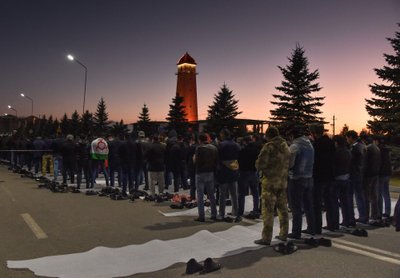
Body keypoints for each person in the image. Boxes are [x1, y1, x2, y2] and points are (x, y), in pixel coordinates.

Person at [254, 127, 290, 245]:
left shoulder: (268, 146)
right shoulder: (286, 146)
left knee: (268, 211)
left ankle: (266, 238)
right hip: (282, 182)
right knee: (283, 210)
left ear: (268, 135)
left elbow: (260, 164)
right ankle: (284, 234)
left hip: (269, 183)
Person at [287, 126, 315, 239]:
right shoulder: (309, 144)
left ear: (292, 136)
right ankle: (311, 228)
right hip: (309, 177)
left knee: (296, 207)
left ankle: (296, 231)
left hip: (297, 178)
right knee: (308, 205)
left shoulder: (295, 146)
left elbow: (290, 164)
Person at [309, 123, 335, 233]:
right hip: (330, 176)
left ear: (314, 133)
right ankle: (332, 225)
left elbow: (314, 161)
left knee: (316, 204)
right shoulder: (330, 142)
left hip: (319, 177)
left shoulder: (317, 144)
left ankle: (316, 227)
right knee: (330, 202)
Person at [216, 129, 241, 222]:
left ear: (223, 134)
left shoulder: (221, 145)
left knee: (222, 194)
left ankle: (221, 213)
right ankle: (235, 212)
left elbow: (218, 158)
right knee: (234, 194)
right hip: (234, 172)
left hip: (223, 172)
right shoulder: (236, 145)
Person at [194, 133, 219, 222]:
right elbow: (216, 161)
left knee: (200, 195)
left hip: (200, 173)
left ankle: (201, 216)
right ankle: (214, 214)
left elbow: (196, 161)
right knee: (211, 194)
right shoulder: (214, 148)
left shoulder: (199, 148)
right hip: (211, 173)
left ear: (199, 140)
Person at [346, 130, 367, 224]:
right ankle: (363, 215)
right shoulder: (362, 146)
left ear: (350, 137)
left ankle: (351, 218)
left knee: (351, 197)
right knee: (359, 196)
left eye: (347, 138)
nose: (347, 140)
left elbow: (351, 161)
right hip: (359, 174)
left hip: (353, 174)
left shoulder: (355, 148)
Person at [332, 135, 353, 228]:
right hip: (346, 177)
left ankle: (335, 222)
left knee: (335, 202)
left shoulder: (336, 153)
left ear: (336, 142)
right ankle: (347, 220)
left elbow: (334, 165)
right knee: (346, 201)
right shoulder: (348, 152)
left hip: (337, 178)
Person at [238, 136, 260, 218]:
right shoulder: (257, 150)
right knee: (255, 193)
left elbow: (239, 161)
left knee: (241, 193)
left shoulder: (242, 151)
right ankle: (256, 210)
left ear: (245, 142)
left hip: (244, 173)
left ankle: (240, 211)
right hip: (254, 172)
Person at [363, 134, 381, 224]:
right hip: (376, 173)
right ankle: (374, 214)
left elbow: (365, 162)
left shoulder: (368, 148)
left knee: (366, 196)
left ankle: (365, 215)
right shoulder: (377, 148)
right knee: (374, 195)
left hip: (369, 174)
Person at [377, 137, 392, 218]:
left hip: (381, 174)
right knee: (386, 193)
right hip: (388, 173)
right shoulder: (386, 150)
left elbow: (379, 163)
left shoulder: (378, 150)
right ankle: (387, 212)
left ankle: (379, 213)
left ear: (376, 141)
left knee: (379, 194)